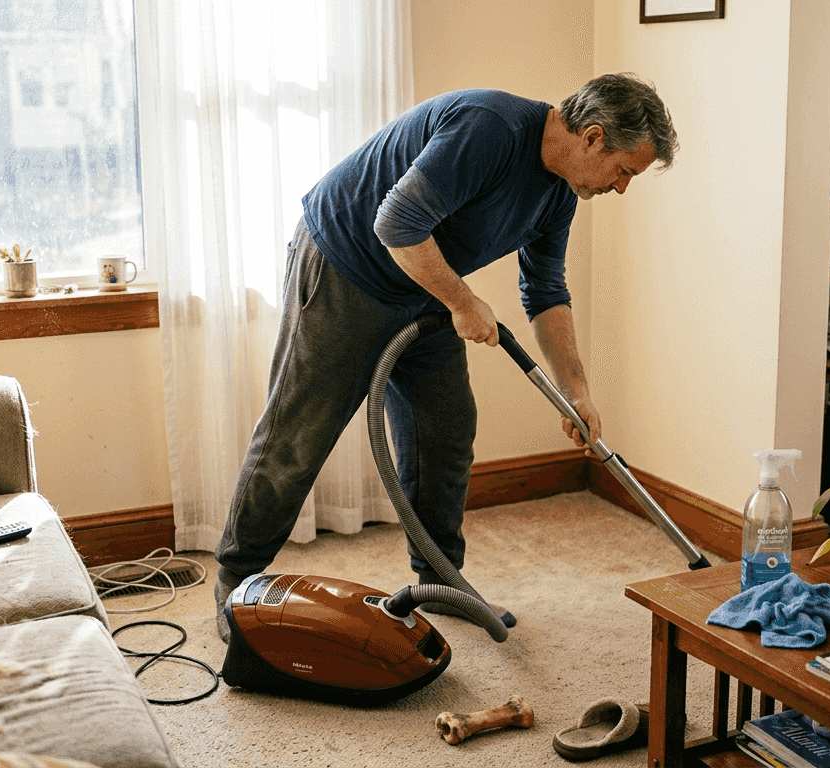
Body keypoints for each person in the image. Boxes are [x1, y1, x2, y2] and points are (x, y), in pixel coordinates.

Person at [212, 73, 679, 643]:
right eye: (625, 171)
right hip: (347, 264)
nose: (622, 187)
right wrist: (462, 301)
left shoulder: (560, 192)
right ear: (593, 138)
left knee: (446, 426)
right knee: (300, 433)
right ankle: (237, 581)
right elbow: (395, 220)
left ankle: (440, 578)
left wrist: (578, 390)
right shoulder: (490, 128)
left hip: (421, 280)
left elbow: (545, 289)